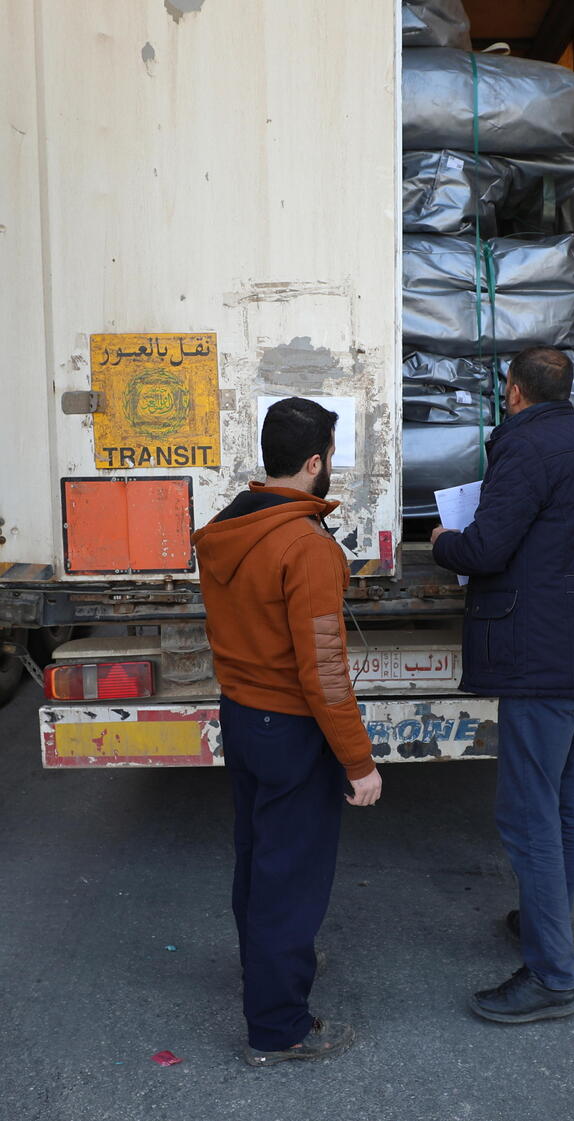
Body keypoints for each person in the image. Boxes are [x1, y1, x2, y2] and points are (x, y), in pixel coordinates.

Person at [431, 347, 574, 1024]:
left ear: (513, 391)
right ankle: (545, 923)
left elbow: (486, 548)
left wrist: (442, 541)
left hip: (539, 659)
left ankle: (551, 974)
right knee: (567, 800)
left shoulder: (525, 449)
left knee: (528, 814)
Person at [192, 396, 381, 1066]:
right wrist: (359, 762)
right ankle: (278, 1028)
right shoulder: (307, 546)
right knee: (291, 877)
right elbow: (325, 670)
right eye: (329, 455)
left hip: (242, 714)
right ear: (314, 462)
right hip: (292, 727)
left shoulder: (226, 528)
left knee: (260, 860)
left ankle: (265, 973)